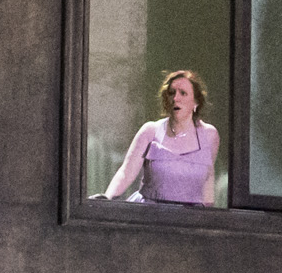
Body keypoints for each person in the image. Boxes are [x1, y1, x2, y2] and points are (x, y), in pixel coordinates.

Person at [94, 68, 226, 206]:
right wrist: (107, 198)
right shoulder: (150, 131)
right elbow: (126, 172)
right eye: (171, 93)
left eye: (183, 93)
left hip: (189, 217)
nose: (176, 98)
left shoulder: (210, 135)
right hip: (150, 214)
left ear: (196, 102)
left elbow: (208, 178)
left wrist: (208, 215)